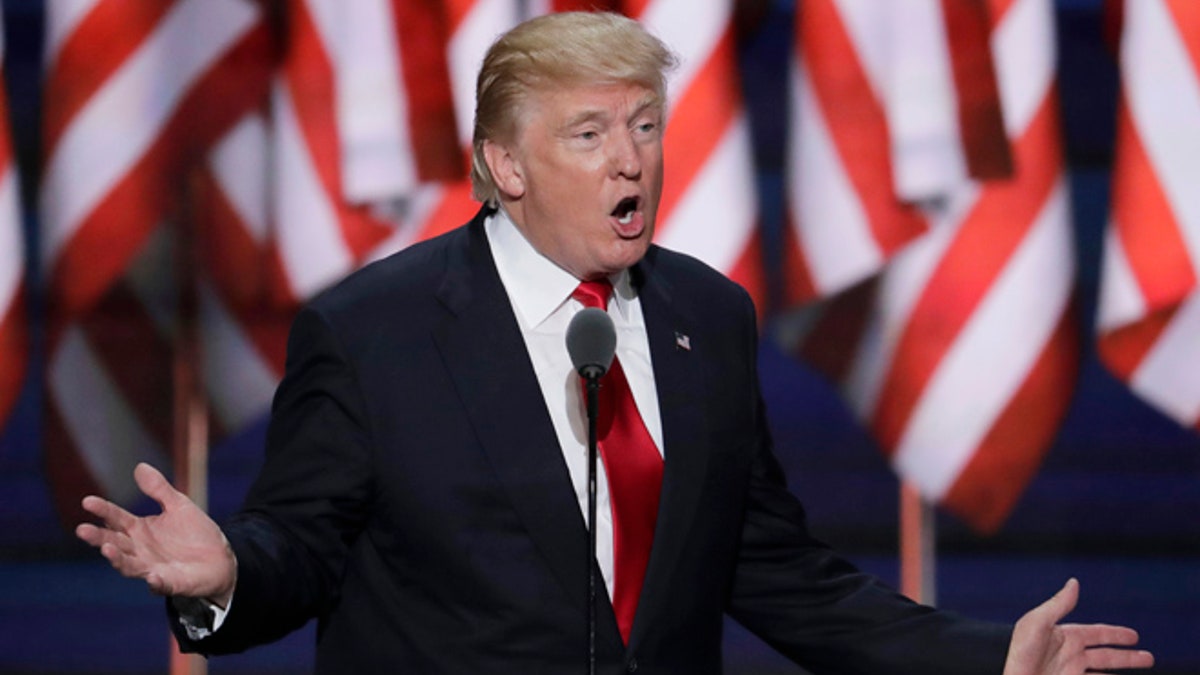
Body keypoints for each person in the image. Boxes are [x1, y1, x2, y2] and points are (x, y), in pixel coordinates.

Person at [76, 11, 1154, 674]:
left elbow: (774, 571)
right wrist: (221, 578)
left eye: (643, 124)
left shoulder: (708, 318)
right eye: (588, 136)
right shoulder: (374, 333)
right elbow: (300, 550)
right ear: (505, 166)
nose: (630, 161)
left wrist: (984, 661)